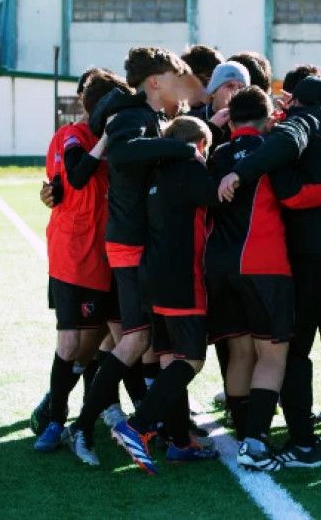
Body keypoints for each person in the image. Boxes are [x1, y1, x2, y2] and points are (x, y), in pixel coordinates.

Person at [61, 46, 201, 467]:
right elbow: (121, 153)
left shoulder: (156, 118)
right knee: (137, 340)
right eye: (177, 78)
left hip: (147, 243)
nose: (184, 86)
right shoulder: (131, 116)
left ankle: (175, 438)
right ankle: (82, 425)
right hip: (131, 244)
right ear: (155, 82)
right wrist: (183, 151)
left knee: (159, 345)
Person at [217, 76, 321, 467]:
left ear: (298, 102)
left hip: (305, 254)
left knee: (293, 349)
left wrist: (241, 171)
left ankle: (301, 442)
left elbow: (291, 189)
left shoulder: (300, 124)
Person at [111, 116, 221, 474]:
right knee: (191, 360)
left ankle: (178, 442)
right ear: (199, 146)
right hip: (181, 278)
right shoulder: (190, 169)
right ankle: (137, 426)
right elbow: (221, 196)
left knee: (169, 359)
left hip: (152, 277)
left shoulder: (156, 172)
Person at [32, 69, 128, 449]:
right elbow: (71, 177)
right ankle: (56, 417)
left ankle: (97, 407)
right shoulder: (73, 135)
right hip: (76, 255)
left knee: (106, 339)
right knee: (75, 343)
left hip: (112, 254)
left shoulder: (121, 135)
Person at [206, 86, 295, 471]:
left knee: (240, 352)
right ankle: (256, 442)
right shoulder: (271, 151)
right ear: (269, 117)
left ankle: (244, 434)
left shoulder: (217, 154)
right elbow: (296, 198)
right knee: (272, 353)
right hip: (263, 262)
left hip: (219, 264)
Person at [190, 61, 250, 152]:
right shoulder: (193, 119)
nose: (236, 93)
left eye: (242, 88)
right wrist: (211, 128)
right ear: (214, 92)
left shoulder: (251, 120)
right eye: (230, 86)